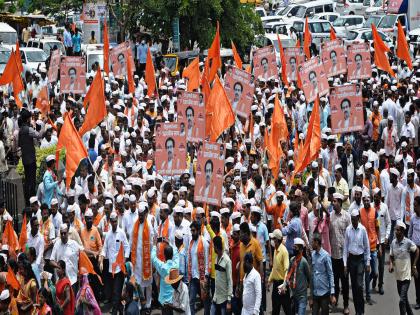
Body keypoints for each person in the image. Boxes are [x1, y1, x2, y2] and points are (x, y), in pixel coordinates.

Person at [99, 211, 129, 315]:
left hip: (119, 269)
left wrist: (124, 260)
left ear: (117, 221)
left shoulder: (121, 233)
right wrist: (102, 258)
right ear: (110, 222)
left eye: (116, 221)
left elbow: (127, 247)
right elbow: (104, 248)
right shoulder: (108, 235)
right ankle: (121, 311)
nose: (114, 223)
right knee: (114, 293)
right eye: (113, 222)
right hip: (110, 269)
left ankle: (114, 312)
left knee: (116, 293)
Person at [343, 209, 370, 315]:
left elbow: (367, 247)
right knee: (354, 287)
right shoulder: (348, 230)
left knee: (359, 286)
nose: (353, 222)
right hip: (351, 260)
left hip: (360, 260)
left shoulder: (362, 230)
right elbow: (345, 248)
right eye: (352, 220)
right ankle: (357, 311)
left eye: (355, 220)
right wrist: (345, 264)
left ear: (358, 219)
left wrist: (367, 262)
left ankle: (361, 311)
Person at [389, 221, 419, 315]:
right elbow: (391, 255)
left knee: (401, 301)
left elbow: (417, 251)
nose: (395, 231)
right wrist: (390, 264)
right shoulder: (393, 242)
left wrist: (414, 266)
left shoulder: (408, 243)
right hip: (398, 275)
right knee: (404, 299)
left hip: (406, 275)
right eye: (395, 230)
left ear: (402, 232)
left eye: (397, 230)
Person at [329, 193, 351, 314]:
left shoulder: (347, 217)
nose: (333, 203)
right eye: (332, 201)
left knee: (345, 282)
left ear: (340, 203)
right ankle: (335, 300)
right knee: (335, 280)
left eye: (335, 201)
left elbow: (349, 236)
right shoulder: (330, 216)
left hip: (343, 257)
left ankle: (346, 305)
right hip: (333, 255)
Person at [18, 109, 42, 205]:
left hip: (25, 159)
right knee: (32, 182)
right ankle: (32, 202)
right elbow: (39, 135)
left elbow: (19, 144)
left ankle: (27, 201)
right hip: (31, 159)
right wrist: (40, 128)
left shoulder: (20, 130)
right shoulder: (29, 129)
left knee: (27, 181)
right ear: (28, 119)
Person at [151, 238, 179, 315]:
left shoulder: (162, 267)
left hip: (165, 302)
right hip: (174, 301)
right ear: (172, 255)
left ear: (164, 255)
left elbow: (153, 258)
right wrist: (169, 243)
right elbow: (176, 254)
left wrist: (154, 245)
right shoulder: (176, 266)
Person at [310, 233, 335, 315]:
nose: (311, 244)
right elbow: (312, 275)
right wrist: (311, 295)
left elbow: (330, 274)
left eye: (312, 242)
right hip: (315, 293)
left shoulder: (326, 256)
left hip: (324, 293)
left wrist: (332, 293)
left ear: (317, 242)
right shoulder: (313, 255)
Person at [268, 229, 290, 315]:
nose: (272, 241)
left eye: (273, 239)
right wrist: (269, 280)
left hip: (282, 284)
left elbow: (286, 269)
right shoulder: (275, 250)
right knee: (275, 310)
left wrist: (284, 285)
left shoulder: (284, 251)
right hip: (276, 285)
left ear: (277, 239)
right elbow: (274, 268)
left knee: (287, 309)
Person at [211, 235, 232, 314]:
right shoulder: (216, 258)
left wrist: (229, 301)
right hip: (216, 296)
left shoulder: (227, 260)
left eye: (213, 246)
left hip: (224, 298)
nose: (213, 248)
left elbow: (230, 280)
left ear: (216, 247)